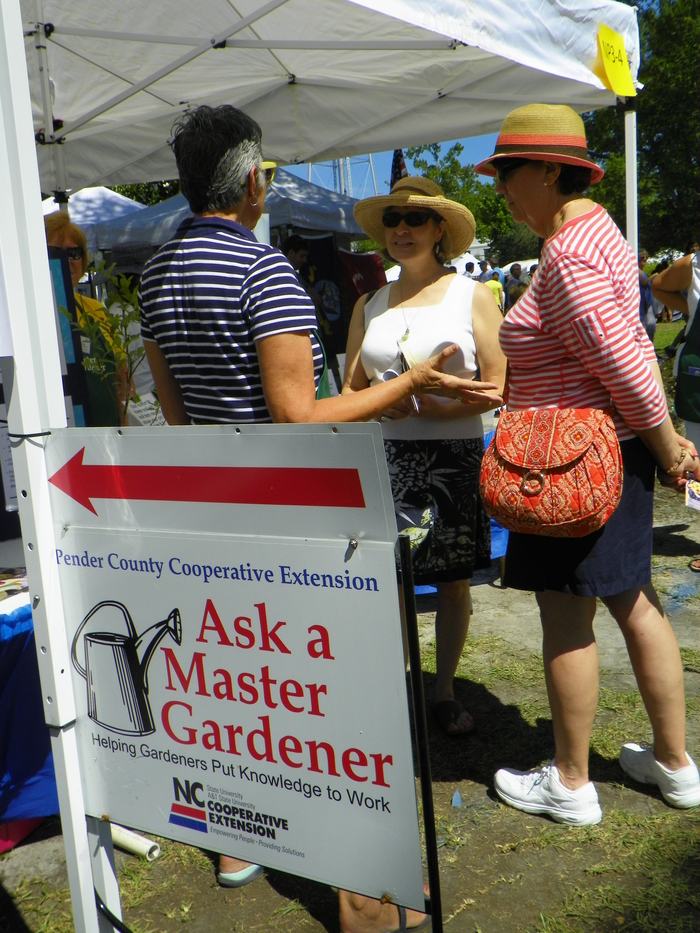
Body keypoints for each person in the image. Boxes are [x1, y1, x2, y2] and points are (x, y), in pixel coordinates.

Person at [139, 104, 499, 932]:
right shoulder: (264, 272)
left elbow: (173, 407)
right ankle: (363, 892)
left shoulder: (156, 274)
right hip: (288, 506)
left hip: (207, 501)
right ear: (255, 180)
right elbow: (302, 415)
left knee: (235, 676)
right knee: (324, 697)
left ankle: (235, 840)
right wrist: (407, 387)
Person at [473, 103, 700, 825]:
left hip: (573, 461)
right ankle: (676, 764)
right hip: (609, 452)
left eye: (509, 172)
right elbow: (622, 350)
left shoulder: (567, 253)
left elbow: (623, 359)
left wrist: (671, 448)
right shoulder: (600, 234)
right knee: (637, 603)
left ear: (546, 170)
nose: (503, 187)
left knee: (567, 614)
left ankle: (571, 781)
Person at [344, 176, 506, 737]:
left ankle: (442, 689)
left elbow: (498, 385)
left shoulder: (473, 295)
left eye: (414, 219)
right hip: (382, 459)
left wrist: (429, 410)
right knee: (385, 578)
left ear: (440, 229)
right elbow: (348, 392)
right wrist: (378, 405)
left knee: (453, 581)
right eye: (393, 220)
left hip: (453, 454)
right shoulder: (369, 303)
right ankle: (392, 682)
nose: (402, 230)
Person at [44, 212, 132, 426]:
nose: (67, 261)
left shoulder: (95, 309)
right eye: (56, 252)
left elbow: (121, 381)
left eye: (74, 253)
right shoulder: (36, 314)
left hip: (109, 438)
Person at [650, 247, 700, 571]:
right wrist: (691, 310)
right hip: (699, 376)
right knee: (697, 464)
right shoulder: (695, 265)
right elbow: (657, 285)